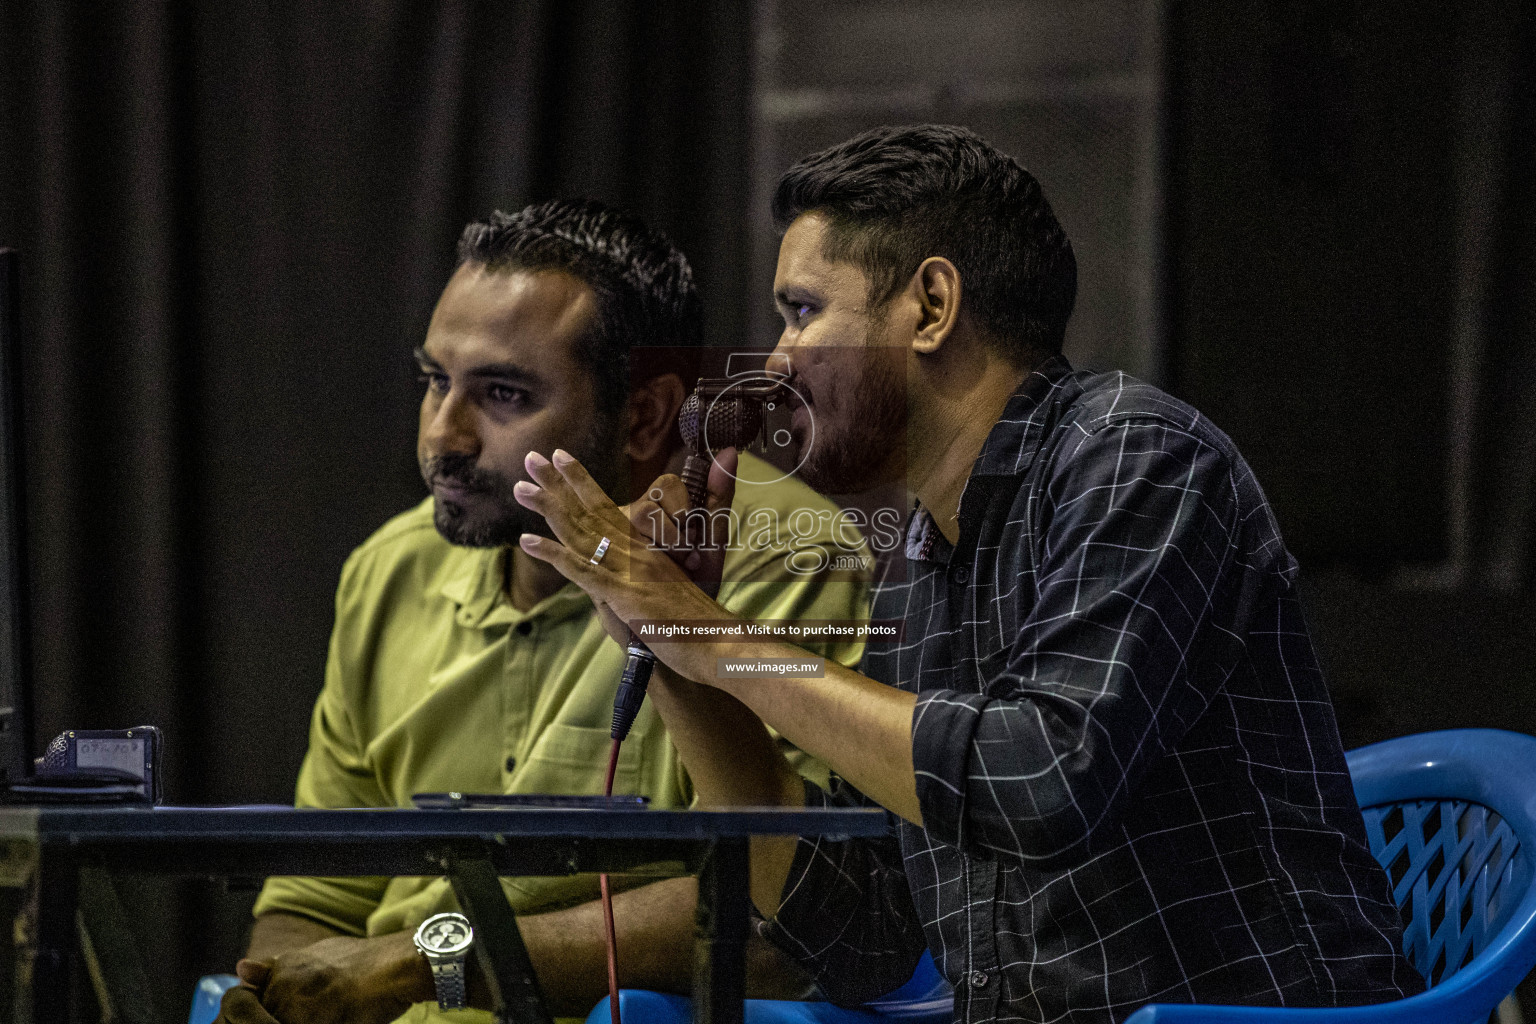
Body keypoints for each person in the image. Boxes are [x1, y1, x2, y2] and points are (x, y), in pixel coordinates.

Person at [510, 125, 1427, 1024]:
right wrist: (677, 652)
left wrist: (711, 636)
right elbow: (863, 933)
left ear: (933, 306)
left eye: (802, 311)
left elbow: (1040, 779)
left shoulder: (1137, 459)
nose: (780, 360)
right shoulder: (919, 556)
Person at [216, 198, 869, 1024]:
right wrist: (275, 991)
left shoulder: (783, 554)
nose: (443, 436)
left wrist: (424, 964)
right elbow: (321, 894)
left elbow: (789, 914)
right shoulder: (390, 569)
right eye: (433, 382)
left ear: (642, 415)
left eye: (501, 394)